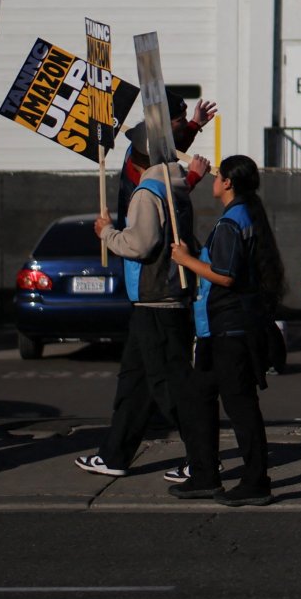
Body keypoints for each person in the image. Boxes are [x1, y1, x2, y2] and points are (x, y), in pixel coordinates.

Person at [74, 119, 201, 477]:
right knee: (136, 383)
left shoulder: (148, 191)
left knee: (168, 386)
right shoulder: (174, 186)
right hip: (159, 299)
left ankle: (202, 457)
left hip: (157, 300)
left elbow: (141, 244)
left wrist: (107, 233)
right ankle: (115, 455)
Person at [166, 152, 283, 505]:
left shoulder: (233, 221)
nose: (214, 180)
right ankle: (204, 474)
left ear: (228, 183)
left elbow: (227, 276)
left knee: (240, 406)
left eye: (218, 175)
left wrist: (186, 261)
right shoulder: (244, 216)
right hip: (218, 328)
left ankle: (255, 480)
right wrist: (196, 254)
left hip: (229, 329)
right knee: (200, 397)